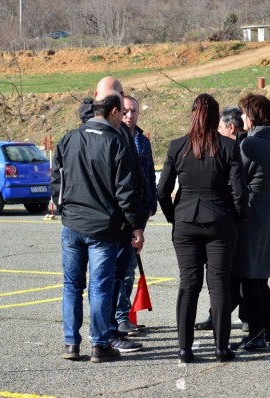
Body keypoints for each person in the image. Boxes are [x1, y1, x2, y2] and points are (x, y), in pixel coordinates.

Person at [51, 90, 146, 363]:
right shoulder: (117, 142)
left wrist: (62, 209)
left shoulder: (70, 138)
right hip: (103, 229)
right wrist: (136, 226)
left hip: (72, 224)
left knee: (72, 285)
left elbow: (56, 179)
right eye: (122, 113)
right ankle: (100, 343)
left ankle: (71, 343)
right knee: (100, 287)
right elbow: (126, 192)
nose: (125, 118)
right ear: (114, 112)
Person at [157, 93, 248, 363]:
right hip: (220, 220)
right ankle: (221, 348)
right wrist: (237, 218)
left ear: (192, 114)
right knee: (219, 284)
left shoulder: (177, 147)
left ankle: (184, 349)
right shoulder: (229, 147)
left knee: (189, 284)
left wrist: (174, 217)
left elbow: (162, 191)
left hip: (185, 221)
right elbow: (240, 193)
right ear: (216, 117)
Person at [80, 77, 150, 353]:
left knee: (117, 277)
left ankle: (108, 330)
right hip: (105, 221)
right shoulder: (94, 129)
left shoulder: (135, 137)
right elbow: (120, 184)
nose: (126, 113)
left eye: (131, 108)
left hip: (122, 219)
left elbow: (140, 179)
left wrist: (144, 213)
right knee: (100, 281)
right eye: (122, 106)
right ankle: (103, 335)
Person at [231, 93, 270, 351]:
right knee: (261, 276)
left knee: (249, 276)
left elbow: (235, 175)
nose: (241, 118)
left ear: (252, 115)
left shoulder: (251, 144)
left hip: (252, 211)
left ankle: (256, 334)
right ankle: (269, 328)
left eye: (244, 113)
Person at [195, 105, 248, 333]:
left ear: (231, 127)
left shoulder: (240, 147)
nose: (216, 131)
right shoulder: (230, 146)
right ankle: (218, 315)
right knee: (226, 273)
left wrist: (237, 214)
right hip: (230, 217)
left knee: (236, 271)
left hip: (236, 217)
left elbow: (240, 188)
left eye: (219, 127)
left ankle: (245, 316)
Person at [115, 95, 157, 335]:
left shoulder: (142, 140)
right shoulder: (115, 138)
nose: (130, 116)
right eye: (126, 111)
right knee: (120, 268)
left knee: (129, 267)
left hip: (139, 214)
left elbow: (150, 175)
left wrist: (151, 205)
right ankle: (119, 316)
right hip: (120, 216)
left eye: (134, 111)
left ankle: (123, 314)